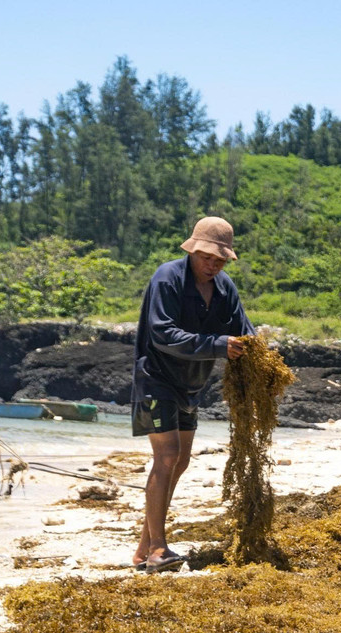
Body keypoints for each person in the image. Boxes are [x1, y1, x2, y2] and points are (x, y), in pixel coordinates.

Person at [130, 216, 255, 572]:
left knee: (181, 460)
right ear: (192, 250)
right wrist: (217, 345)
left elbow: (243, 329)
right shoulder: (167, 278)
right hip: (156, 378)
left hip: (191, 385)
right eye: (206, 258)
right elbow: (162, 334)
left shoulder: (224, 287)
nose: (212, 265)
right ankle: (158, 548)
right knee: (167, 455)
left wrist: (256, 350)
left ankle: (143, 550)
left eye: (219, 260)